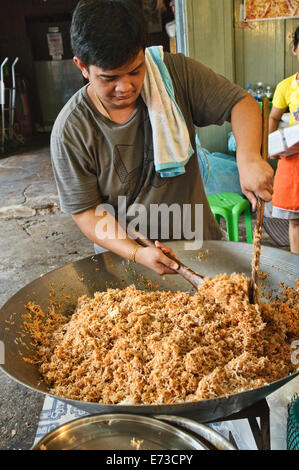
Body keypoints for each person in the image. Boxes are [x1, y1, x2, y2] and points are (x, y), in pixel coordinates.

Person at [50, 0, 274, 276]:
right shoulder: (72, 130)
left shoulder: (173, 74)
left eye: (135, 70)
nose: (126, 87)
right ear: (82, 66)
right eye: (109, 78)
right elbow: (86, 212)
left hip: (202, 249)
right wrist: (137, 253)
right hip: (128, 263)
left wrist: (248, 156)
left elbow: (241, 104)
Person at [269, 26, 299, 255]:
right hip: (294, 159)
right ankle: (296, 270)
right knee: (295, 219)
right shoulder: (286, 86)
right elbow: (273, 116)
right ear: (294, 49)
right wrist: (271, 145)